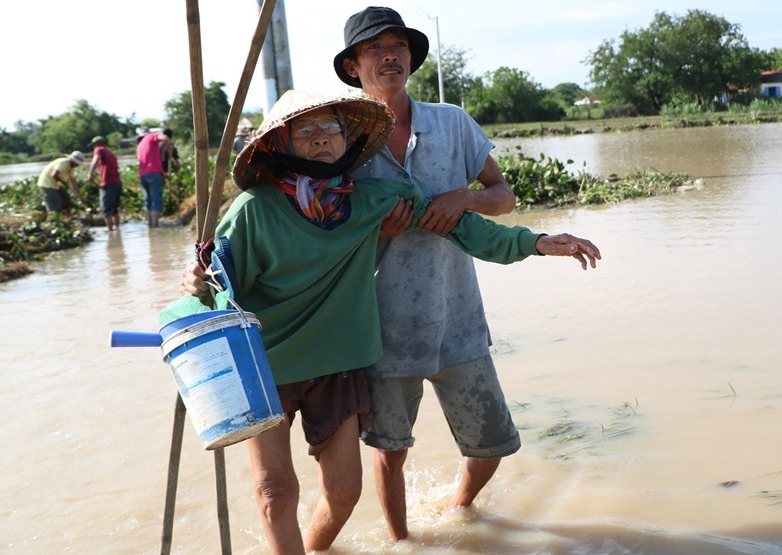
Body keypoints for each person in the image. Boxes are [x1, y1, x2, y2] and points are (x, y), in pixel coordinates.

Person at [178, 90, 601, 555]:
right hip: (267, 365)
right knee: (275, 492)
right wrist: (198, 281)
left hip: (337, 363)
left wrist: (537, 242)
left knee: (344, 493)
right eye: (306, 130)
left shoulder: (377, 199)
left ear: (347, 139)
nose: (321, 139)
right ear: (282, 143)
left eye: (331, 128)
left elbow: (465, 229)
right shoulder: (253, 210)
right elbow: (219, 287)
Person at [334, 6, 536, 541]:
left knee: (491, 445)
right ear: (354, 66)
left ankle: (457, 507)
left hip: (459, 320)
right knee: (388, 452)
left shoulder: (451, 123)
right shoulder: (342, 143)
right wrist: (379, 233)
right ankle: (402, 543)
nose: (389, 55)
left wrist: (464, 196)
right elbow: (330, 238)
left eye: (397, 45)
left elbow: (503, 196)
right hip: (382, 331)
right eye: (374, 48)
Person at [136, 130, 172, 228]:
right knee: (156, 200)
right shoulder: (151, 136)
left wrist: (164, 175)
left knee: (148, 201)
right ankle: (155, 226)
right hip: (153, 175)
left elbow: (148, 167)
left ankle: (151, 226)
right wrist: (169, 148)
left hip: (143, 176)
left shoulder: (139, 146)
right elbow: (165, 138)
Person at [86, 135, 122, 231]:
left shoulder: (98, 149)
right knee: (114, 209)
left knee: (106, 210)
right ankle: (117, 231)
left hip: (107, 183)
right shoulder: (111, 153)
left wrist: (89, 174)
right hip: (117, 183)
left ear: (96, 144)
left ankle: (110, 232)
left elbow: (95, 160)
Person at [37, 151, 86, 220]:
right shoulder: (63, 162)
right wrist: (63, 182)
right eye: (77, 163)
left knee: (66, 198)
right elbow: (54, 175)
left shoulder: (70, 168)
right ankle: (53, 220)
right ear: (73, 161)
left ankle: (68, 218)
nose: (77, 165)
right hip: (47, 183)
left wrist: (80, 197)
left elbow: (73, 182)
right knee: (55, 203)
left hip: (55, 184)